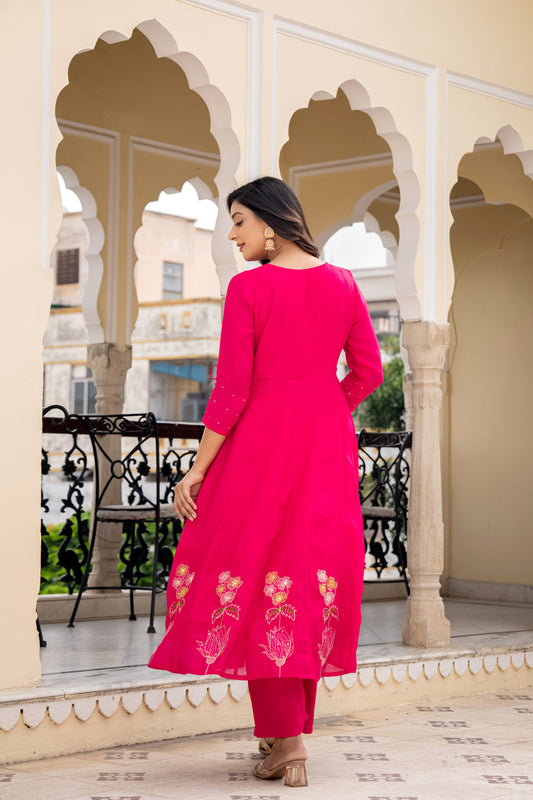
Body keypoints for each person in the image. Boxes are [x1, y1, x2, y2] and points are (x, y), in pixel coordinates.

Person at [148, 176, 383, 787]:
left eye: (240, 221)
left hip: (261, 446)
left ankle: (290, 742)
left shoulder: (250, 289)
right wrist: (327, 407)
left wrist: (198, 469)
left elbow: (230, 390)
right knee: (304, 575)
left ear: (272, 226)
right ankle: (288, 737)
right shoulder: (344, 283)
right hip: (324, 446)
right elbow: (370, 371)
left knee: (255, 575)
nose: (233, 234)